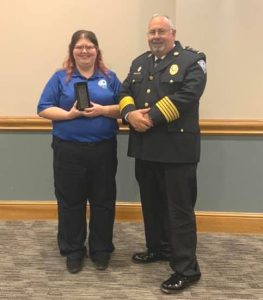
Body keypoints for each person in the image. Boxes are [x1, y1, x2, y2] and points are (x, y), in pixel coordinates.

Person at [119, 14, 207, 293]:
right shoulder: (140, 62)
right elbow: (124, 91)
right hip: (145, 148)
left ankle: (186, 269)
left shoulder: (192, 60)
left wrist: (149, 118)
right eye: (152, 32)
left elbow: (187, 96)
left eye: (161, 31)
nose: (156, 36)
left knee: (179, 210)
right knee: (152, 203)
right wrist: (129, 114)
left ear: (173, 33)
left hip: (176, 150)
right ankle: (158, 248)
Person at [37, 30, 121, 273]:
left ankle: (101, 249)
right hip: (68, 151)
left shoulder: (110, 77)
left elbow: (125, 108)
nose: (84, 51)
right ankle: (73, 250)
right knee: (70, 202)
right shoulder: (60, 78)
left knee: (103, 201)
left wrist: (103, 110)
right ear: (72, 51)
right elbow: (43, 108)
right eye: (79, 47)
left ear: (97, 50)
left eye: (89, 46)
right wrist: (70, 114)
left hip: (103, 149)